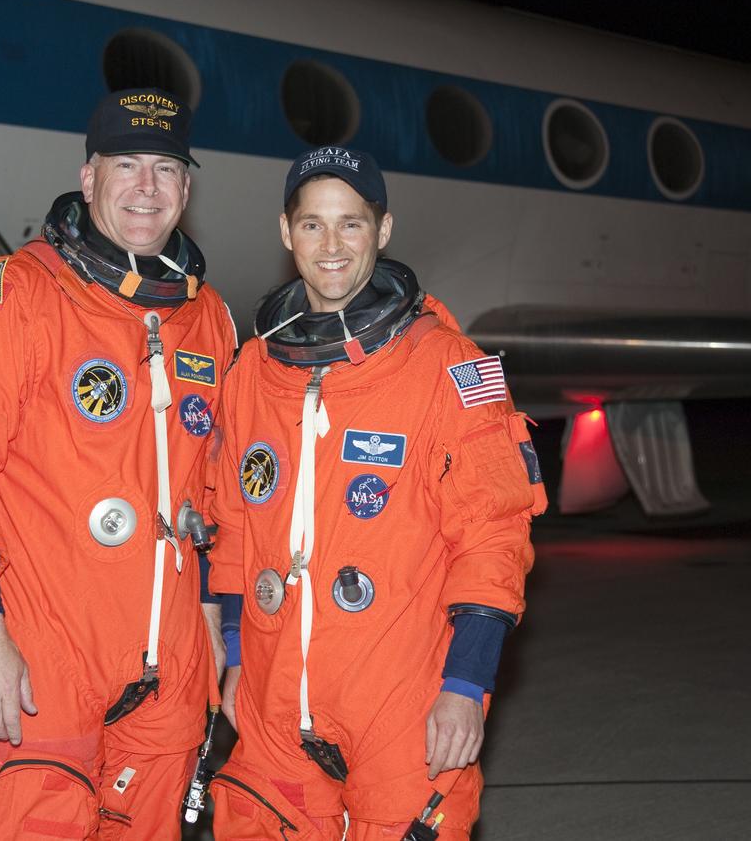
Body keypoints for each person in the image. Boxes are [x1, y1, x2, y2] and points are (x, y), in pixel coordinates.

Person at [0, 87, 237, 839]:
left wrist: (216, 624)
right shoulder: (14, 296)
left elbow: (214, 492)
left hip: (169, 675)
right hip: (41, 656)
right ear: (89, 179)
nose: (146, 187)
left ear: (186, 188)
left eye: (165, 169)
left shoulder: (208, 317)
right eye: (126, 165)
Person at [206, 146, 547, 839]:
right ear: (285, 232)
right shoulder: (252, 370)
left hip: (404, 705)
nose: (331, 246)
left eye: (351, 224)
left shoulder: (449, 367)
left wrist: (466, 686)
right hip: (274, 703)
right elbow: (234, 525)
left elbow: (493, 535)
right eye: (312, 225)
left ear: (383, 231)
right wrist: (238, 657)